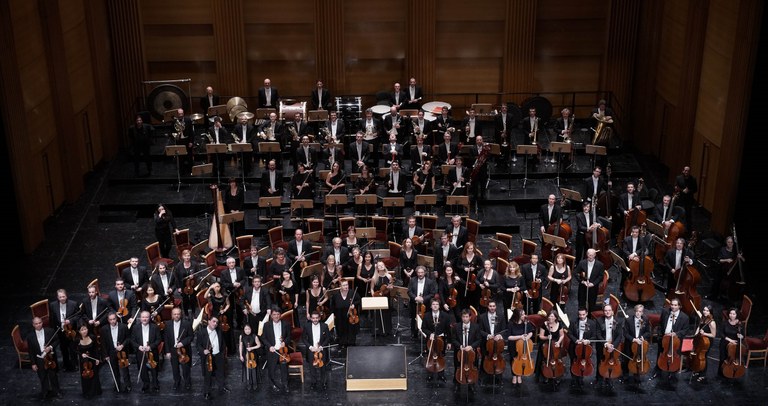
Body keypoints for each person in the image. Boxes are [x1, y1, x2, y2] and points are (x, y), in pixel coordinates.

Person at [650, 298, 689, 382]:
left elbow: (685, 330)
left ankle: (672, 373)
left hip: (675, 342)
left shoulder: (685, 317)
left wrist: (676, 334)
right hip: (664, 340)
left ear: (679, 306)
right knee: (660, 355)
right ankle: (657, 370)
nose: (673, 307)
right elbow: (660, 324)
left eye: (675, 305)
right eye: (672, 305)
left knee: (674, 358)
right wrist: (660, 335)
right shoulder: (665, 312)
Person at [28, 316, 62, 400]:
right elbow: (31, 351)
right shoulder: (30, 336)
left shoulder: (50, 331)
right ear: (33, 325)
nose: (38, 325)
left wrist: (50, 347)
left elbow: (57, 340)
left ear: (42, 323)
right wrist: (33, 363)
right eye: (36, 324)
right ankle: (45, 391)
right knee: (42, 376)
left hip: (49, 357)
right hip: (39, 359)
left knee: (53, 375)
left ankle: (57, 391)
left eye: (40, 323)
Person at [450, 309, 483, 398]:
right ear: (461, 317)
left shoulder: (475, 327)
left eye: (466, 317)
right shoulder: (456, 327)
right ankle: (457, 383)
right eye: (463, 317)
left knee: (472, 367)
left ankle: (471, 384)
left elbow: (479, 340)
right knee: (458, 367)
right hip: (459, 352)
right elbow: (453, 339)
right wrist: (459, 346)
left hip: (471, 352)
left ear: (470, 317)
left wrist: (471, 346)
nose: (465, 319)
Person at [196, 316, 228, 400]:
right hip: (208, 357)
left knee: (220, 372)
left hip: (218, 355)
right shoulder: (201, 332)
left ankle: (221, 387)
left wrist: (223, 353)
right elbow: (198, 345)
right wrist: (203, 351)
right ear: (209, 321)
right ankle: (207, 392)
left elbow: (222, 342)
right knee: (208, 375)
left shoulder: (219, 330)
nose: (215, 324)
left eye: (217, 323)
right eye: (214, 321)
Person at [130, 310, 161, 393]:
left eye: (146, 317)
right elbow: (132, 340)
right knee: (143, 369)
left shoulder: (155, 327)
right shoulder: (135, 327)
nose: (145, 319)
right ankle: (146, 384)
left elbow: (158, 340)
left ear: (150, 318)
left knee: (154, 368)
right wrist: (139, 347)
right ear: (140, 318)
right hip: (140, 352)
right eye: (143, 317)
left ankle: (155, 383)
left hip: (152, 351)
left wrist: (150, 347)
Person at [262, 306, 291, 393]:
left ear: (280, 315)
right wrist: (269, 346)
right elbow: (263, 338)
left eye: (278, 314)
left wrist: (285, 342)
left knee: (284, 368)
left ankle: (285, 384)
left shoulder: (286, 324)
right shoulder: (267, 325)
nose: (276, 316)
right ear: (271, 315)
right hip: (272, 350)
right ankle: (272, 384)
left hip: (283, 350)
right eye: (274, 314)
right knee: (271, 368)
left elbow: (289, 336)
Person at [49, 288, 79, 371]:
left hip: (71, 330)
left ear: (66, 296)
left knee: (73, 348)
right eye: (60, 297)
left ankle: (75, 364)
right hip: (60, 331)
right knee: (63, 349)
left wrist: (70, 321)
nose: (62, 298)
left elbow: (78, 316)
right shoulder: (53, 305)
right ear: (57, 297)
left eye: (63, 296)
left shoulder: (73, 304)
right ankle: (66, 365)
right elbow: (52, 319)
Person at [164, 307, 193, 391]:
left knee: (185, 368)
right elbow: (166, 338)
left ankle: (187, 382)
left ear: (181, 315)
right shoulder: (168, 324)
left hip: (184, 350)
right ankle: (177, 382)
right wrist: (167, 351)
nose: (176, 316)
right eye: (175, 314)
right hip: (173, 351)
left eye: (178, 314)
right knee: (175, 368)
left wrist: (182, 343)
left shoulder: (186, 324)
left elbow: (191, 336)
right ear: (172, 315)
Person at [422, 298, 451, 384]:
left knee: (441, 356)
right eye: (433, 304)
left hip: (441, 340)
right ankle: (430, 374)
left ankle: (441, 374)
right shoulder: (426, 315)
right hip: (430, 341)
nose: (435, 306)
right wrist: (430, 333)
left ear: (439, 306)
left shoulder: (445, 316)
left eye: (437, 304)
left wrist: (449, 342)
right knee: (430, 356)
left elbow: (448, 330)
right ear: (431, 306)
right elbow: (423, 328)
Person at [567, 307, 597, 390]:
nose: (582, 316)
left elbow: (594, 336)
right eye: (580, 315)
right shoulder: (573, 322)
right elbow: (569, 333)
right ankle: (574, 379)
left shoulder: (592, 323)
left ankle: (580, 379)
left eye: (583, 314)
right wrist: (576, 340)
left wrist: (589, 341)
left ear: (587, 313)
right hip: (574, 346)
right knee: (574, 362)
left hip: (586, 348)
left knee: (583, 362)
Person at [100, 312, 131, 393]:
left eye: (114, 319)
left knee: (125, 369)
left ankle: (127, 385)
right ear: (108, 320)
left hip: (122, 351)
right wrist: (105, 355)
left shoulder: (123, 326)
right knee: (114, 370)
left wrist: (122, 345)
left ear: (116, 318)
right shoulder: (104, 329)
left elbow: (128, 338)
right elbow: (103, 343)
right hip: (111, 351)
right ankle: (117, 384)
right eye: (110, 320)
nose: (113, 321)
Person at [479, 300, 508, 386]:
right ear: (487, 307)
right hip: (486, 343)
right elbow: (479, 330)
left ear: (496, 307)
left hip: (497, 343)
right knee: (485, 359)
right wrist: (487, 335)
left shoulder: (501, 316)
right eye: (490, 306)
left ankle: (499, 378)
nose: (492, 308)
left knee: (498, 359)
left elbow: (504, 329)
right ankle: (483, 378)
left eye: (493, 306)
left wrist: (499, 335)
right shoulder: (482, 317)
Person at [622, 304, 651, 388]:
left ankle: (636, 375)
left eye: (640, 311)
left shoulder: (645, 319)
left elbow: (648, 332)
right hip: (630, 343)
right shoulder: (628, 320)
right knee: (627, 358)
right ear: (634, 311)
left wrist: (643, 337)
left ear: (642, 312)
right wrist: (634, 339)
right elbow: (625, 333)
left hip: (640, 344)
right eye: (637, 311)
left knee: (638, 359)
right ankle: (625, 375)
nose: (638, 313)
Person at [708, 236, 744, 301]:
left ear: (733, 243)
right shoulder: (723, 249)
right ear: (726, 242)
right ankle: (713, 296)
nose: (730, 244)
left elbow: (743, 260)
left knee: (729, 285)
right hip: (722, 270)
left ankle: (726, 298)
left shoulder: (735, 251)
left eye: (731, 242)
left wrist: (740, 257)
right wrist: (726, 260)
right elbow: (719, 260)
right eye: (728, 242)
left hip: (731, 272)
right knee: (717, 282)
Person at [595, 304, 622, 390]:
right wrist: (606, 343)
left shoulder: (618, 321)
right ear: (603, 312)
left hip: (614, 346)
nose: (607, 312)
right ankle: (599, 379)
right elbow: (598, 334)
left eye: (609, 310)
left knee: (611, 362)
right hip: (602, 346)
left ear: (612, 312)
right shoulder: (599, 320)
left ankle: (609, 378)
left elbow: (619, 336)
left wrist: (613, 345)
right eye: (606, 310)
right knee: (600, 361)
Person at [506, 308, 534, 390]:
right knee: (513, 360)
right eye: (522, 314)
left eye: (524, 313)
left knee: (522, 360)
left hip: (523, 346)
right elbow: (509, 337)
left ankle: (519, 375)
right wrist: (520, 337)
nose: (524, 316)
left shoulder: (526, 322)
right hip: (513, 345)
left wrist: (527, 337)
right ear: (517, 315)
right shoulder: (511, 323)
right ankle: (514, 375)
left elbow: (531, 332)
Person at [302, 311, 331, 390]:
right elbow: (304, 338)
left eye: (317, 318)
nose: (315, 320)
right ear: (311, 318)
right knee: (312, 367)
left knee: (323, 367)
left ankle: (323, 382)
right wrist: (310, 347)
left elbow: (328, 338)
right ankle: (313, 382)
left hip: (321, 349)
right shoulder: (307, 326)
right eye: (313, 318)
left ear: (319, 318)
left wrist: (322, 346)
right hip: (312, 350)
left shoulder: (324, 326)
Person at [536, 310, 565, 385]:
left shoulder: (559, 324)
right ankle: (545, 375)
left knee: (557, 360)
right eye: (549, 316)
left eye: (552, 316)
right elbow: (541, 336)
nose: (550, 318)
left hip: (555, 345)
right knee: (545, 360)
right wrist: (547, 337)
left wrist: (558, 342)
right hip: (545, 345)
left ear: (555, 317)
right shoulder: (545, 324)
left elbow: (562, 335)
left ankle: (557, 375)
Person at [331, 279, 361, 349]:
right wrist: (333, 314)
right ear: (340, 286)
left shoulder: (352, 292)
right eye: (344, 285)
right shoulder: (336, 295)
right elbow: (333, 305)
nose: (346, 286)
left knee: (351, 328)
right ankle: (342, 342)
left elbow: (359, 300)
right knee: (341, 328)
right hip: (339, 315)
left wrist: (353, 304)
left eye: (347, 285)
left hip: (350, 315)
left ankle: (351, 342)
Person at [408, 266, 437, 338]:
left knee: (426, 318)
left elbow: (432, 293)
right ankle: (414, 333)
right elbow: (409, 291)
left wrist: (423, 299)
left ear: (425, 273)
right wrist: (415, 298)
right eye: (418, 272)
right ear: (416, 273)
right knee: (414, 318)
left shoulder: (430, 282)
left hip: (425, 303)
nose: (420, 274)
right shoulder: (412, 280)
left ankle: (426, 334)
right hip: (414, 303)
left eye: (422, 272)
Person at [690, 305, 716, 383]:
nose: (705, 312)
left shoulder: (712, 322)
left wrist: (704, 333)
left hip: (706, 342)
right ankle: (698, 369)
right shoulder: (703, 318)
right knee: (698, 354)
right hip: (700, 339)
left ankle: (703, 374)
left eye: (707, 311)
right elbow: (699, 327)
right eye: (704, 310)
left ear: (710, 312)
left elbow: (713, 335)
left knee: (703, 357)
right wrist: (695, 335)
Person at [574, 248, 604, 313]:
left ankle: (590, 318)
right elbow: (575, 273)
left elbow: (601, 277)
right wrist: (582, 281)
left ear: (595, 255)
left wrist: (593, 283)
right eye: (589, 255)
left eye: (592, 255)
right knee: (581, 303)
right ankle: (581, 317)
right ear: (587, 254)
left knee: (592, 304)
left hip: (593, 288)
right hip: (583, 287)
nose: (590, 257)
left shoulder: (600, 265)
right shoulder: (582, 263)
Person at [370, 261, 394, 336]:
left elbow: (391, 287)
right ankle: (377, 331)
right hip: (378, 297)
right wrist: (374, 296)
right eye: (379, 266)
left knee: (386, 313)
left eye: (382, 265)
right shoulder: (374, 278)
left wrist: (390, 288)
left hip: (386, 297)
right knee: (377, 314)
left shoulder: (389, 276)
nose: (381, 266)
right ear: (377, 268)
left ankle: (387, 330)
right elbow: (371, 289)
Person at [719, 307, 744, 380]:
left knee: (733, 359)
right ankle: (721, 374)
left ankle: (731, 373)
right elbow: (721, 334)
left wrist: (741, 336)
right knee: (723, 359)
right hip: (724, 343)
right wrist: (730, 340)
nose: (731, 315)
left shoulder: (740, 324)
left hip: (735, 345)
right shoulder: (725, 323)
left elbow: (744, 335)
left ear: (737, 315)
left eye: (733, 314)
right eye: (730, 313)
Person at [175, 249, 201, 317]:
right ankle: (186, 313)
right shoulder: (179, 265)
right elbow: (176, 277)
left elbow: (198, 274)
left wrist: (194, 276)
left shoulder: (194, 264)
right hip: (183, 286)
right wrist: (178, 287)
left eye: (188, 256)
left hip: (192, 285)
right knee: (185, 300)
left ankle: (193, 312)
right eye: (185, 256)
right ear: (182, 257)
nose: (187, 257)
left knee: (193, 299)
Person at [239, 323, 262, 391]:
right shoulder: (241, 336)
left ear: (251, 329)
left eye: (249, 329)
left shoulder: (254, 336)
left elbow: (259, 345)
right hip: (245, 354)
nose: (247, 330)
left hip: (253, 354)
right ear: (244, 330)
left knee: (253, 369)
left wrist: (252, 348)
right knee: (247, 369)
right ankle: (249, 383)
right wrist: (240, 355)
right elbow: (241, 346)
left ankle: (255, 383)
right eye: (246, 329)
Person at [675, 166, 698, 231]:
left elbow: (695, 189)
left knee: (688, 215)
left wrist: (689, 191)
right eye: (685, 170)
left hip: (689, 200)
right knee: (678, 213)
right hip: (680, 199)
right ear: (683, 171)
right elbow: (676, 186)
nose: (686, 172)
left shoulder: (693, 179)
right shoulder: (678, 178)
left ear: (689, 172)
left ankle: (688, 230)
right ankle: (677, 227)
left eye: (688, 171)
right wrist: (682, 190)